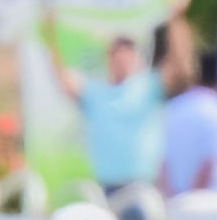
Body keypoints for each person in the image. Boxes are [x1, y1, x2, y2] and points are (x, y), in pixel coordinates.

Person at [43, 20, 163, 198]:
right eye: (118, 55)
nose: (123, 61)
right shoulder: (95, 92)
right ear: (109, 58)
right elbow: (64, 79)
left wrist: (178, 20)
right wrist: (51, 36)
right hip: (108, 185)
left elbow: (180, 70)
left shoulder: (149, 87)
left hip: (144, 183)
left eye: (128, 55)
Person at [158, 46, 217, 198]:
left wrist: (173, 200)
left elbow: (163, 163)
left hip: (174, 200)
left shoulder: (174, 107)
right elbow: (211, 162)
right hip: (211, 203)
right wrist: (193, 199)